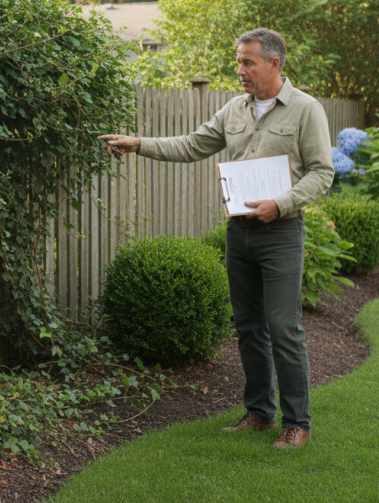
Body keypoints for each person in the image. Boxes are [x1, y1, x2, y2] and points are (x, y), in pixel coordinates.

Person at [99, 28, 333, 449]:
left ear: (274, 64)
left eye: (248, 62)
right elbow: (192, 144)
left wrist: (279, 204)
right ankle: (261, 414)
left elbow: (322, 173)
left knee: (283, 327)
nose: (240, 70)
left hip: (281, 232)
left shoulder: (305, 109)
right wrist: (139, 143)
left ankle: (297, 423)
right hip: (238, 231)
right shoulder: (234, 109)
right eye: (238, 61)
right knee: (247, 327)